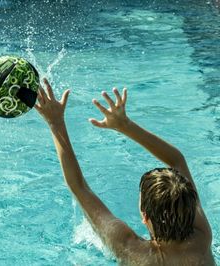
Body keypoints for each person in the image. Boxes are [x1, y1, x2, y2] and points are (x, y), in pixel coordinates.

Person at [35, 78, 215, 265]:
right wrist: (126, 125)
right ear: (191, 207)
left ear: (144, 216)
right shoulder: (201, 239)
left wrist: (55, 123)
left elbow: (79, 188)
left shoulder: (131, 250)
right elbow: (177, 160)